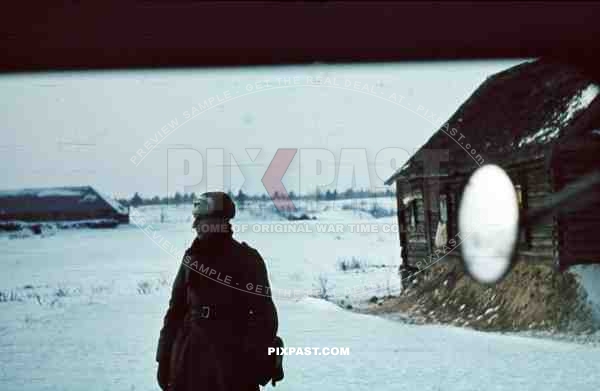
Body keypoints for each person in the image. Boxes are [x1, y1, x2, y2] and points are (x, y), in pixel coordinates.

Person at [156, 192, 279, 391]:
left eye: (201, 219)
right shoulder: (191, 259)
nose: (194, 225)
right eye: (195, 219)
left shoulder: (247, 259)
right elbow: (175, 311)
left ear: (220, 222)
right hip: (188, 360)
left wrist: (247, 361)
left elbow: (265, 318)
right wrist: (164, 358)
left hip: (231, 364)